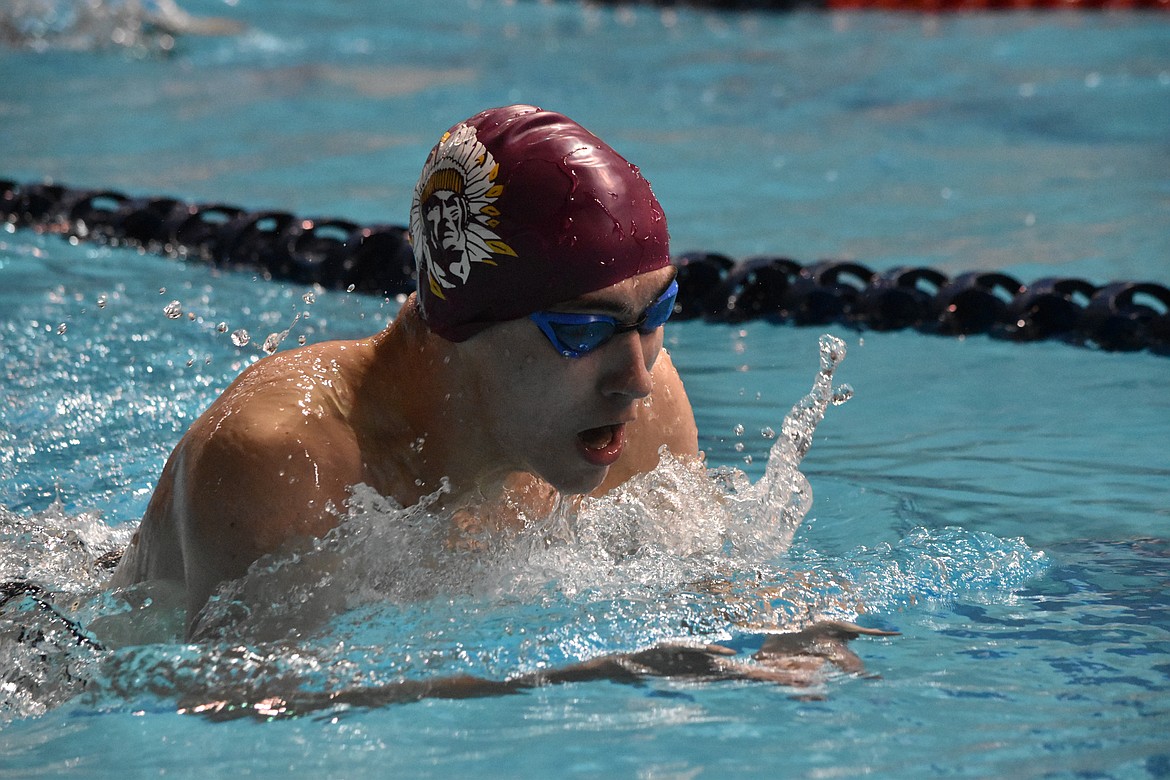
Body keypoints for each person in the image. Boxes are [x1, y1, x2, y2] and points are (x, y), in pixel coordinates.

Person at [110, 105, 700, 632]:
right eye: (581, 332)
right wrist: (613, 673)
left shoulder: (644, 415)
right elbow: (240, 716)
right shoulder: (283, 460)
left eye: (655, 314)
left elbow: (705, 595)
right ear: (463, 327)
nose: (636, 378)